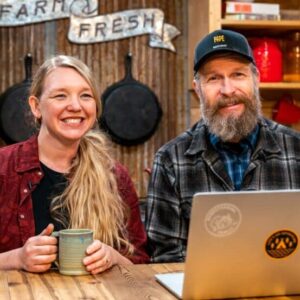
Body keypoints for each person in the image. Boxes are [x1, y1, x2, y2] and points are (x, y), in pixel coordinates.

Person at [145, 29, 300, 263]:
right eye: (213, 78)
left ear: (256, 79)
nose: (227, 90)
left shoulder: (296, 150)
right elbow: (166, 258)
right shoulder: (171, 160)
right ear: (198, 89)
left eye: (238, 74)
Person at [0, 55, 149, 273]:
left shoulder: (114, 176)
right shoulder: (4, 168)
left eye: (85, 96)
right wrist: (17, 258)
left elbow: (143, 266)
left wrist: (113, 257)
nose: (75, 106)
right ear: (36, 106)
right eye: (60, 96)